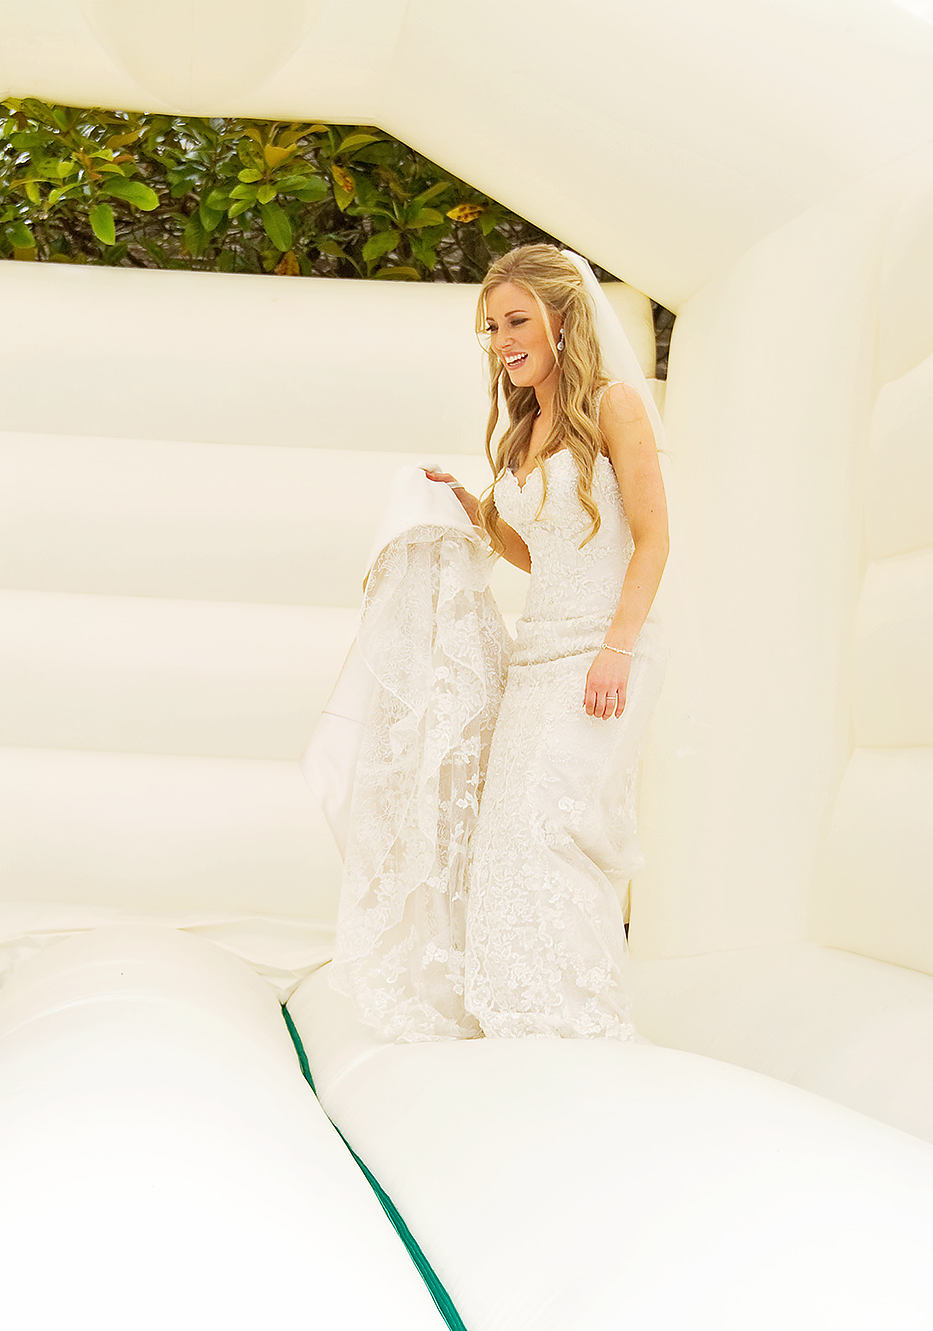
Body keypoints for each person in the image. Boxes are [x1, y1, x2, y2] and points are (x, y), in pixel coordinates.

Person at [328, 244, 670, 1042]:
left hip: (603, 652)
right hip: (537, 656)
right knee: (506, 837)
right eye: (492, 327)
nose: (502, 340)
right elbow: (534, 551)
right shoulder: (522, 429)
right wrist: (471, 510)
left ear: (562, 317)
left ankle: (578, 1020)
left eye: (515, 320)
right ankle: (519, 1013)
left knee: (552, 830)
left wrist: (615, 649)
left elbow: (654, 539)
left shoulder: (615, 404)